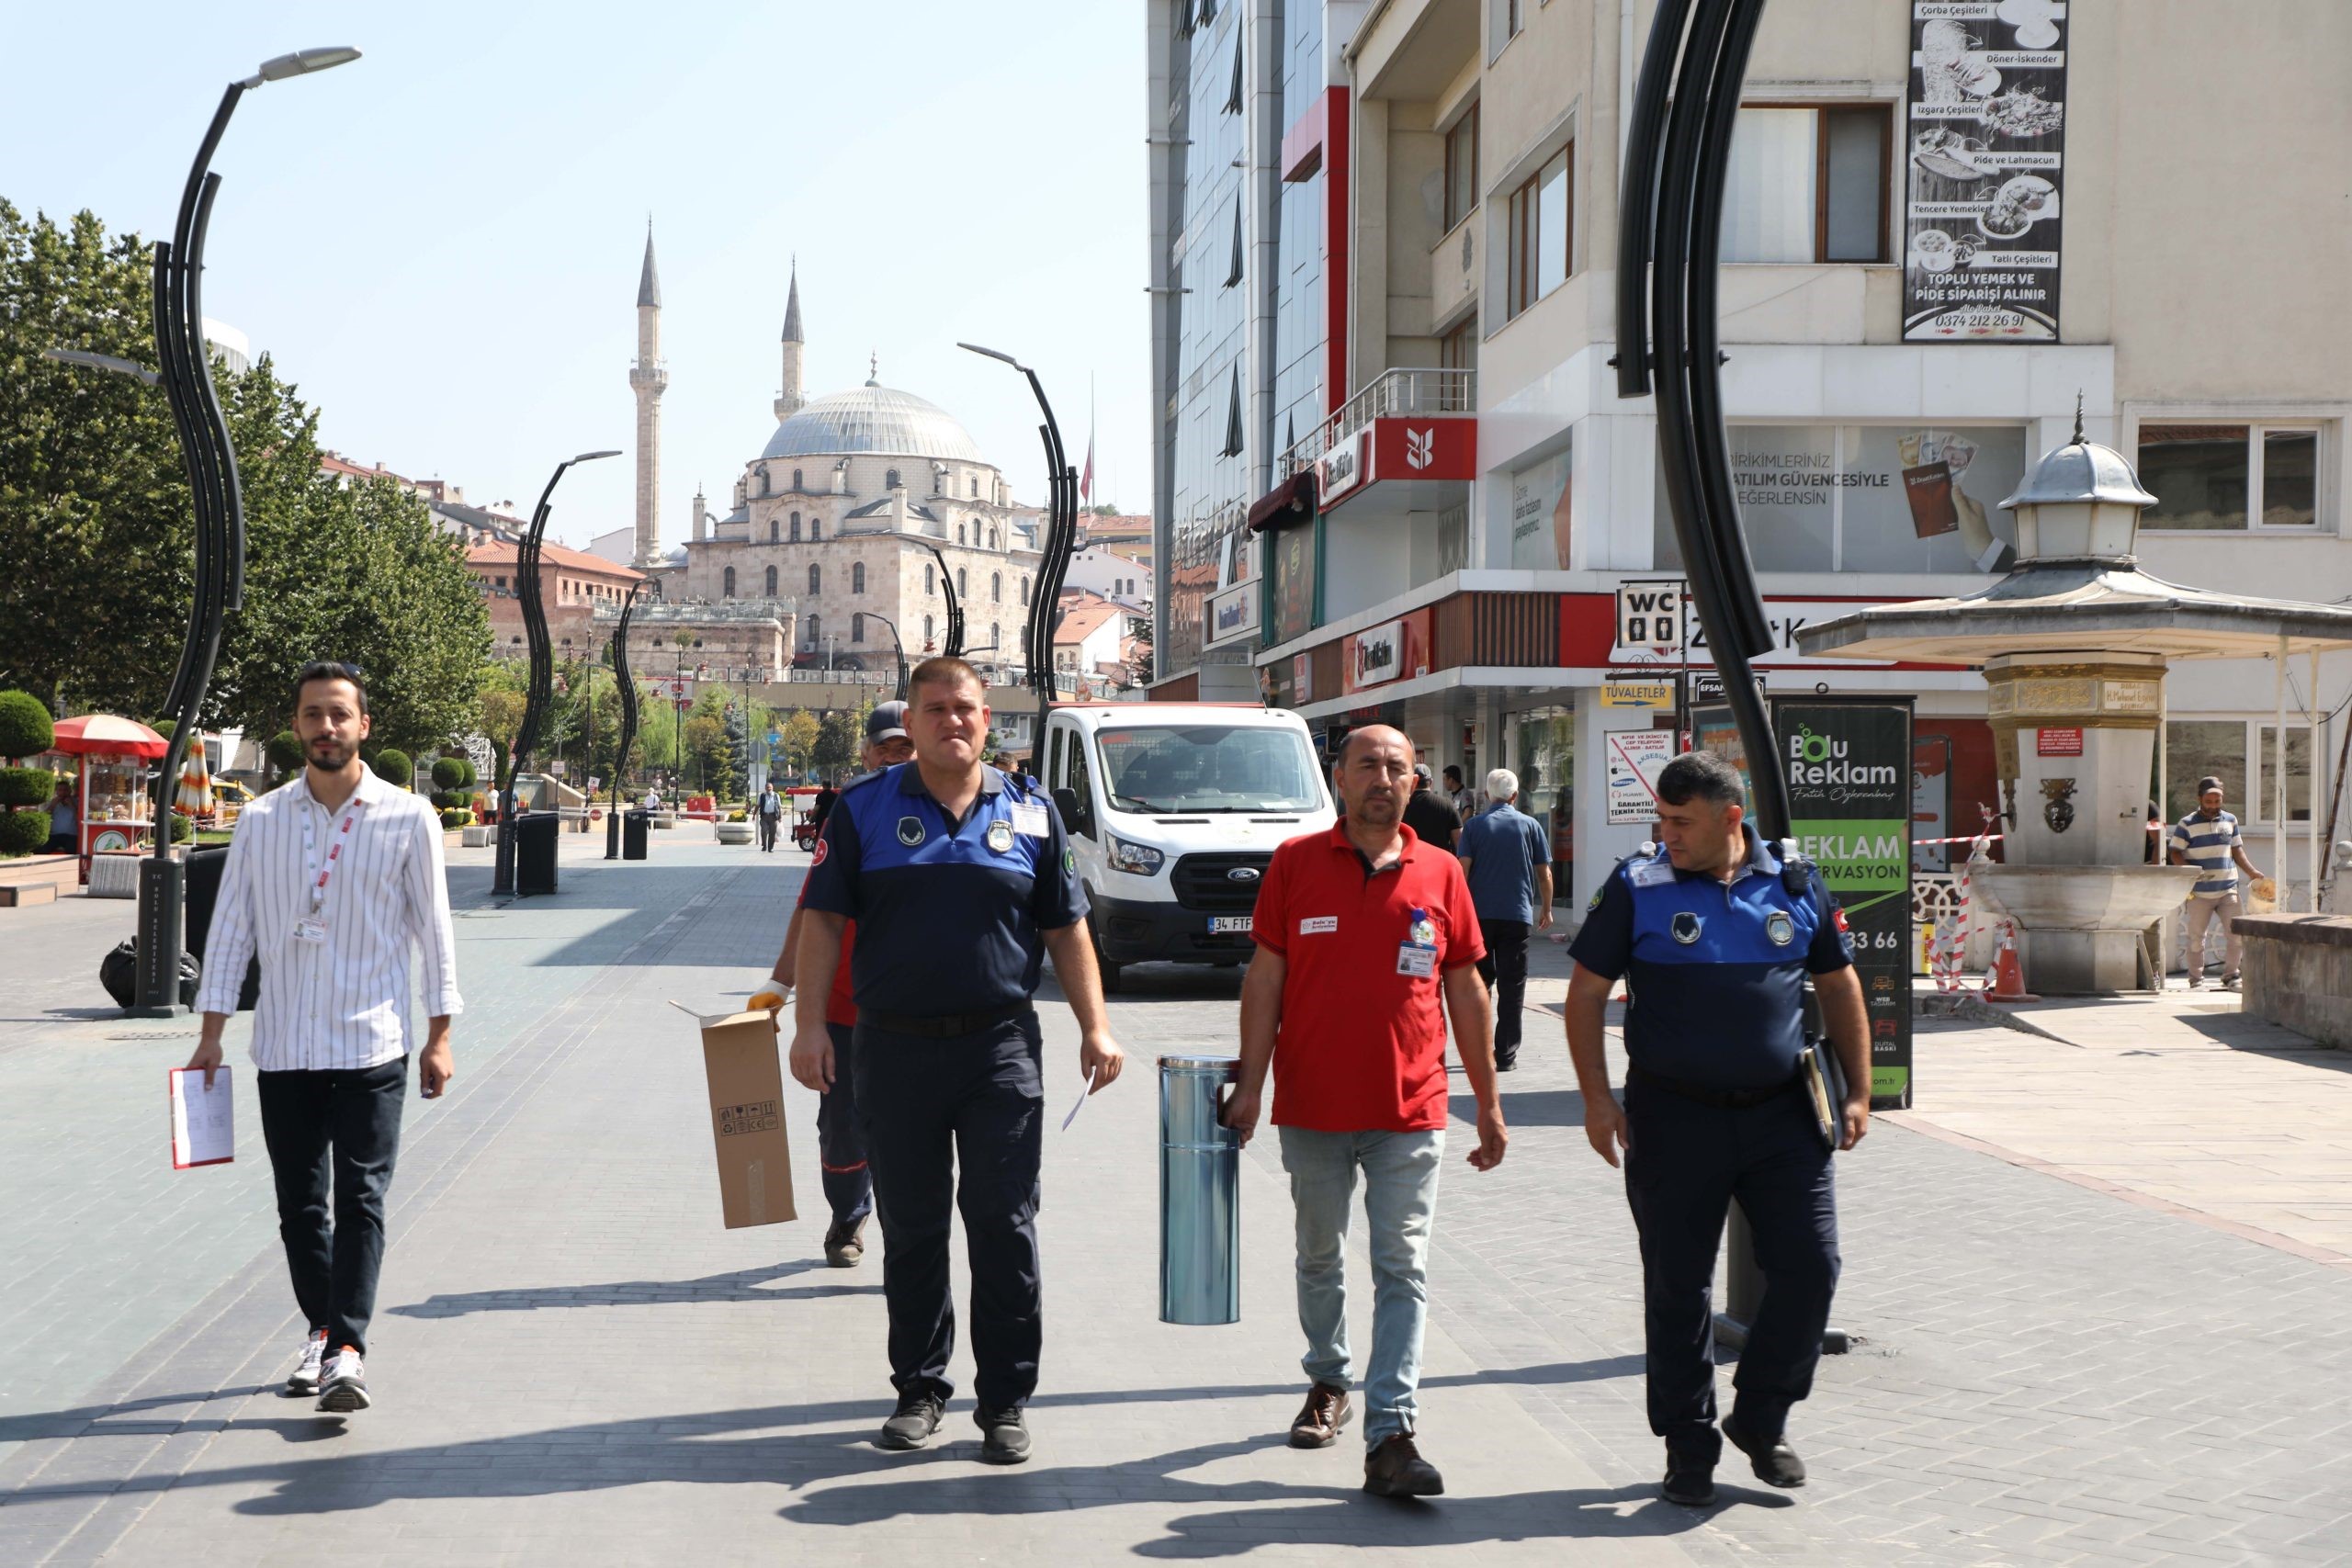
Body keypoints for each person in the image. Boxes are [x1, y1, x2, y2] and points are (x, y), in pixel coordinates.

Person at [795, 658, 1125, 1464]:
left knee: (1005, 1225)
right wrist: (809, 1026)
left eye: (966, 709)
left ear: (988, 720)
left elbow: (1066, 928)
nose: (953, 721)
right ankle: (920, 1387)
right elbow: (823, 924)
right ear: (910, 720)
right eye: (935, 708)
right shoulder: (862, 810)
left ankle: (1005, 1400)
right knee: (912, 1227)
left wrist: (1097, 1026)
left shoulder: (1032, 812)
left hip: (1000, 1046)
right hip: (894, 1046)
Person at [1563, 750, 1868, 1508]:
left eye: (1681, 822)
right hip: (1672, 1117)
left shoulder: (1794, 883)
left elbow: (1839, 982)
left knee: (1812, 1266)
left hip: (1784, 1116)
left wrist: (1861, 1090)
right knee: (1678, 1285)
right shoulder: (1638, 886)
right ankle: (1687, 1443)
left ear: (1732, 819)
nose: (1668, 835)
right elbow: (1583, 995)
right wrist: (1598, 1101)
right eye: (1661, 821)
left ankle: (1760, 1418)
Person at [1222, 725, 1508, 1498]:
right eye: (1367, 765)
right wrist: (1251, 1083)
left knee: (1402, 1266)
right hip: (1312, 1105)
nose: (1383, 777)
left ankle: (1392, 1428)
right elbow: (1266, 979)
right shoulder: (1295, 864)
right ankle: (1329, 1379)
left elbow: (1468, 991)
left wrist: (1486, 1099)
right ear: (1338, 779)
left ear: (1416, 783)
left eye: (1397, 767)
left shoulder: (1444, 872)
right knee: (1319, 1255)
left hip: (1411, 1109)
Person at [185, 661, 460, 1415]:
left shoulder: (409, 817)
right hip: (284, 1047)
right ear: (297, 725)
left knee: (361, 1199)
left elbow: (433, 934)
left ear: (364, 725)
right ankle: (320, 1328)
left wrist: (439, 1035)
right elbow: (232, 927)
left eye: (339, 714)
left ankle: (346, 1349)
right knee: (300, 1206)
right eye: (313, 714)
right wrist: (212, 1034)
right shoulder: (262, 820)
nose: (326, 727)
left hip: (373, 1044)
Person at [749, 702, 914, 1268]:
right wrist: (779, 986)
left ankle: (906, 1238)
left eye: (906, 749)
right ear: (866, 754)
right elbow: (811, 911)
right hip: (844, 1009)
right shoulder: (850, 816)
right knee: (842, 1131)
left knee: (909, 1134)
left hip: (918, 1014)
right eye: (886, 748)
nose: (896, 758)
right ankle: (848, 1216)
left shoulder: (950, 811)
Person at [1454, 768, 1555, 1071]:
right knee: (1513, 986)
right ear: (1514, 795)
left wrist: (1458, 909)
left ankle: (1480, 1049)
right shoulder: (1530, 825)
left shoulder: (1473, 827)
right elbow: (1544, 873)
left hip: (1479, 917)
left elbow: (1462, 870)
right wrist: (1547, 908)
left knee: (1480, 985)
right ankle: (1506, 1055)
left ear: (1487, 795)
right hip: (1516, 916)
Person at [2169, 776, 2262, 988]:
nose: (2213, 806)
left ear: (2222, 799)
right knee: (2196, 938)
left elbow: (2237, 850)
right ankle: (2196, 979)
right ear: (2199, 798)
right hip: (2199, 892)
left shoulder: (2230, 820)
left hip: (2228, 888)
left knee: (2236, 934)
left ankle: (2231, 975)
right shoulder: (2186, 824)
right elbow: (2175, 852)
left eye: (2217, 801)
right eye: (2208, 801)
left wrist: (2252, 872)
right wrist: (2190, 874)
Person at [1400, 763, 1461, 853]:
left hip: (1410, 861)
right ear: (1431, 782)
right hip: (1441, 862)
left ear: (1413, 782)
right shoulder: (1448, 804)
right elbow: (1459, 841)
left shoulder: (1401, 805)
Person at [46, 779, 77, 854]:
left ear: (70, 791)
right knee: (42, 850)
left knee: (71, 850)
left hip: (71, 835)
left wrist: (72, 805)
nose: (63, 792)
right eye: (60, 790)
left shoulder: (76, 801)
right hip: (54, 835)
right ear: (56, 792)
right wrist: (53, 805)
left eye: (65, 790)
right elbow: (45, 816)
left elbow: (80, 818)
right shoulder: (52, 802)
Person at [756, 780, 784, 852]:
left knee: (772, 832)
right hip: (764, 816)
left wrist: (780, 817)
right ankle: (764, 845)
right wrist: (754, 815)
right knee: (764, 830)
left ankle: (770, 847)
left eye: (770, 788)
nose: (769, 789)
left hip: (773, 817)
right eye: (768, 787)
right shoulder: (762, 796)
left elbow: (779, 807)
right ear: (765, 788)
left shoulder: (776, 795)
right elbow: (758, 805)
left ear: (772, 788)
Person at [810, 774, 840, 838]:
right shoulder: (836, 795)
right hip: (832, 820)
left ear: (823, 786)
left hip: (821, 820)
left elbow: (816, 809)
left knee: (820, 837)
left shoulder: (820, 795)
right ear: (831, 786)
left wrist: (812, 818)